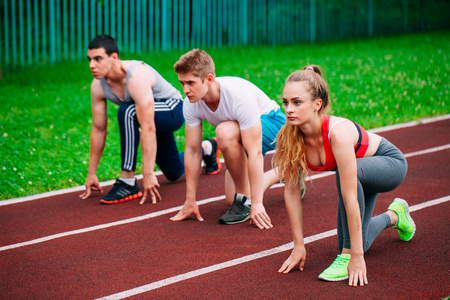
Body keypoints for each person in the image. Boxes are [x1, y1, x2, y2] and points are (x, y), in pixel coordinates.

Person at [273, 65, 416, 286]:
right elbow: (292, 192)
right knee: (358, 240)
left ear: (317, 104)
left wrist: (356, 258)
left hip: (390, 165)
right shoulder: (289, 136)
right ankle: (396, 216)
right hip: (357, 174)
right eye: (285, 102)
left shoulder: (337, 134)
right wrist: (298, 245)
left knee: (351, 248)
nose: (288, 109)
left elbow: (349, 197)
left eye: (297, 102)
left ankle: (348, 254)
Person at [79, 35, 220, 205]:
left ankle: (128, 180)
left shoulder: (136, 76)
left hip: (173, 110)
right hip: (149, 116)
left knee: (127, 111)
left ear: (114, 58)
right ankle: (209, 147)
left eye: (98, 59)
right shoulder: (98, 85)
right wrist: (91, 173)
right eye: (90, 59)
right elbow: (99, 129)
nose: (91, 65)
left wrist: (148, 173)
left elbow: (148, 127)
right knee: (173, 172)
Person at [169, 49, 286, 229]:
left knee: (223, 132)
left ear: (208, 79)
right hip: (239, 132)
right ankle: (284, 171)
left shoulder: (238, 98)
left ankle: (245, 200)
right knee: (231, 200)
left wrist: (256, 203)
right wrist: (190, 200)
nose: (185, 90)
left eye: (191, 83)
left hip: (272, 122)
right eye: (182, 83)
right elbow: (193, 150)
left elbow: (254, 152)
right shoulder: (190, 103)